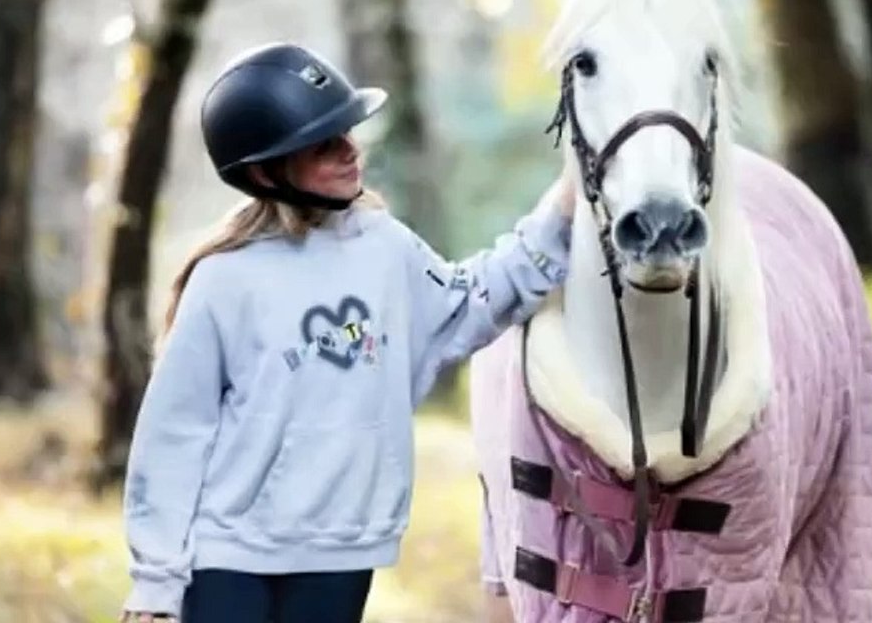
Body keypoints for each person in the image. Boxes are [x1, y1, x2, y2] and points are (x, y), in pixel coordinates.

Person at [119, 42, 575, 623]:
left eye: (348, 133)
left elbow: (470, 303)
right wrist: (155, 583)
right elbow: (174, 434)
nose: (350, 151)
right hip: (229, 556)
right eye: (324, 143)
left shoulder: (385, 247)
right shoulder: (222, 281)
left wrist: (563, 211)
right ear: (266, 170)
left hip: (340, 552)